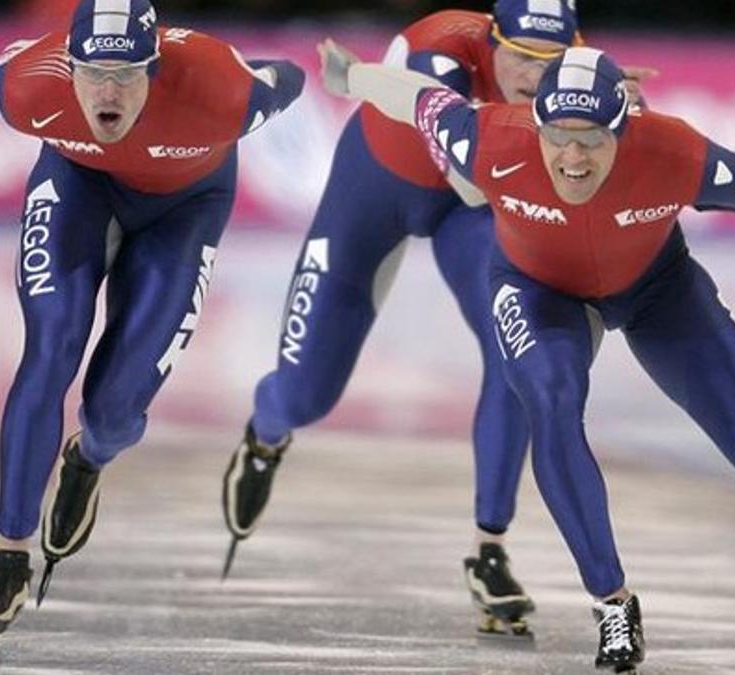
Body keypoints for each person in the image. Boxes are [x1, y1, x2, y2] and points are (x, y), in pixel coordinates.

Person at [318, 41, 735, 675]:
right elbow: (421, 97)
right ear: (534, 123)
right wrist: (353, 77)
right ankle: (612, 602)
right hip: (538, 289)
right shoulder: (487, 136)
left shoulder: (674, 150)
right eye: (558, 135)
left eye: (593, 137)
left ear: (624, 127)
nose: (573, 157)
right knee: (550, 400)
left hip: (660, 292)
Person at [220, 0, 649, 638]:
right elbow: (473, 166)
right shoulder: (442, 49)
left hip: (467, 215)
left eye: (549, 62)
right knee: (306, 392)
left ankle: (489, 547)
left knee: (516, 354)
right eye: (519, 58)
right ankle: (267, 432)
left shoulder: (576, 80)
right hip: (377, 190)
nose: (532, 76)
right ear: (490, 40)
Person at [0, 0, 304, 648]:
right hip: (79, 185)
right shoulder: (29, 87)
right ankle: (8, 554)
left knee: (115, 410)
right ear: (70, 66)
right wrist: (13, 547)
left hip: (188, 206)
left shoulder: (221, 89)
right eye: (92, 72)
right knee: (51, 345)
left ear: (155, 65)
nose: (108, 92)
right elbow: (2, 66)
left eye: (126, 74)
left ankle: (87, 460)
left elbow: (288, 77)